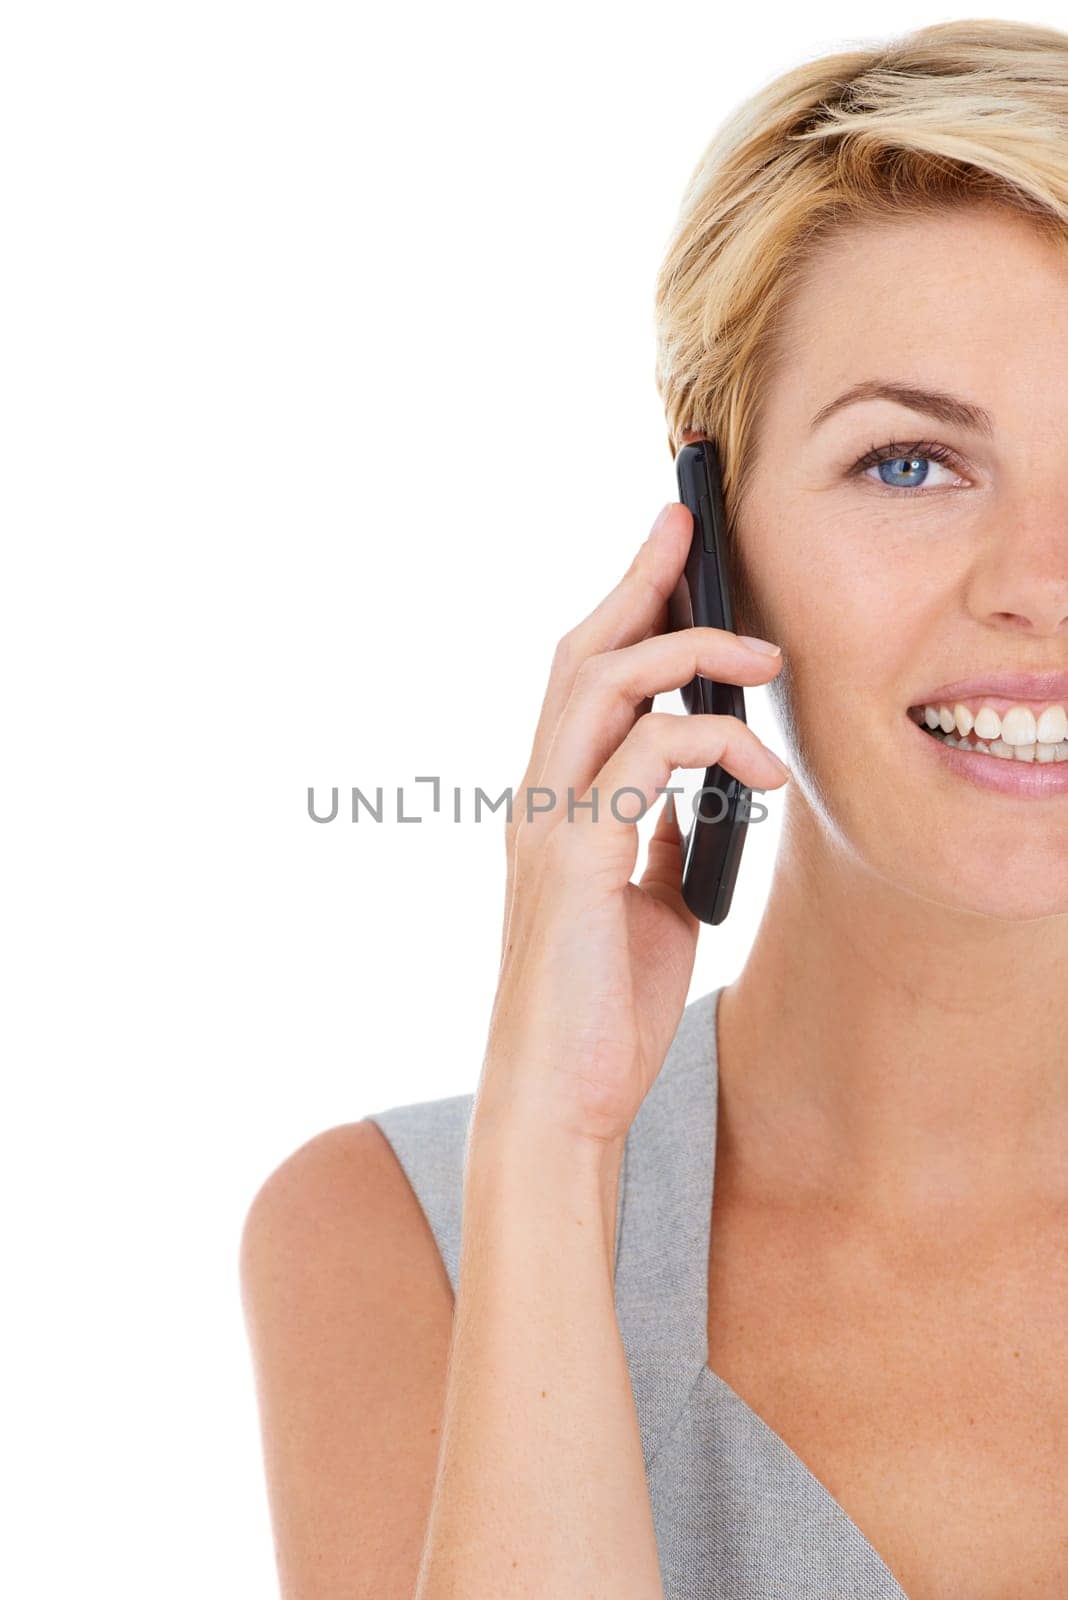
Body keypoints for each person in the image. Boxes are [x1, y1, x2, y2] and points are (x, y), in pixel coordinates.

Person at [239, 19, 1068, 1598]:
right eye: (910, 464)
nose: (1041, 586)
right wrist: (552, 1160)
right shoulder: (390, 1242)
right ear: (708, 543)